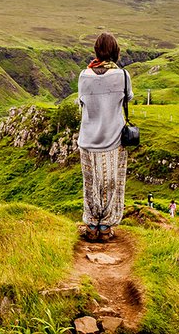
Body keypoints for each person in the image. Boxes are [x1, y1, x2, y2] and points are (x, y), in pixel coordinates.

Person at [77, 32, 135, 242]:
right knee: (112, 182)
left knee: (91, 182)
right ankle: (105, 226)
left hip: (88, 138)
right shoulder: (123, 76)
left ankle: (91, 225)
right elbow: (128, 98)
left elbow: (80, 102)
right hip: (113, 138)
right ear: (115, 51)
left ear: (96, 51)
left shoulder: (84, 75)